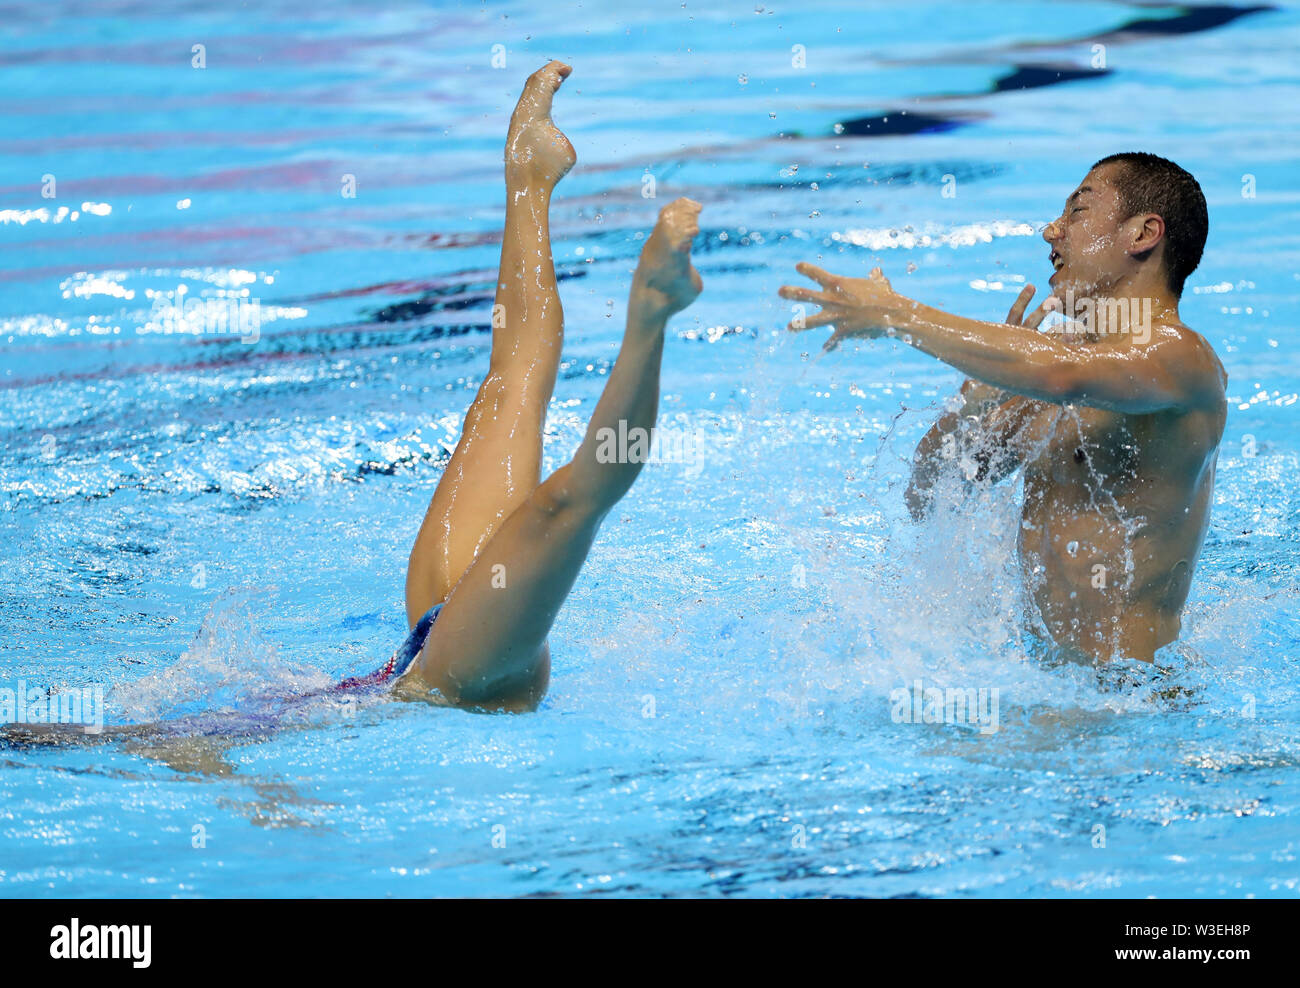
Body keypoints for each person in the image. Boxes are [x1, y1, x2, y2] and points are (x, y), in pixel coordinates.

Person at [780, 153, 1226, 665]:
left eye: (1078, 212)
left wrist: (894, 313)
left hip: (1130, 700)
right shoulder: (1057, 368)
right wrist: (974, 403)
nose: (1050, 231)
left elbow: (1061, 373)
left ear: (1143, 233)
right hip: (1048, 688)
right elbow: (931, 492)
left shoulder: (1179, 356)